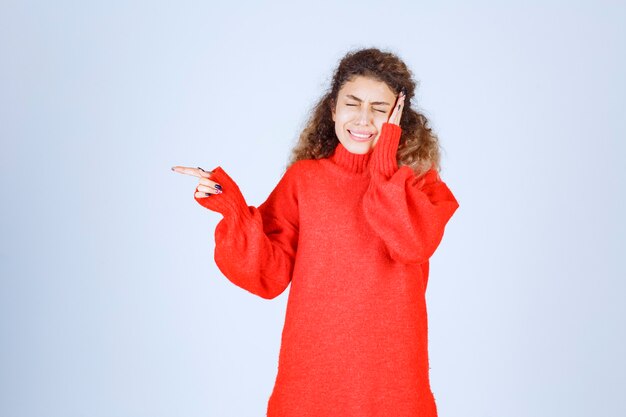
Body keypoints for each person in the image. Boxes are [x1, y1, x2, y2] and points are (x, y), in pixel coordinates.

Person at [172, 47, 459, 417]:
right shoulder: (305, 181)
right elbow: (267, 274)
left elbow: (411, 243)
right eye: (352, 103)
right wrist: (232, 207)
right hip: (311, 380)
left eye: (379, 108)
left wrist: (385, 158)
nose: (363, 118)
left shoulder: (420, 187)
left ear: (399, 117)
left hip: (392, 384)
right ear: (333, 109)